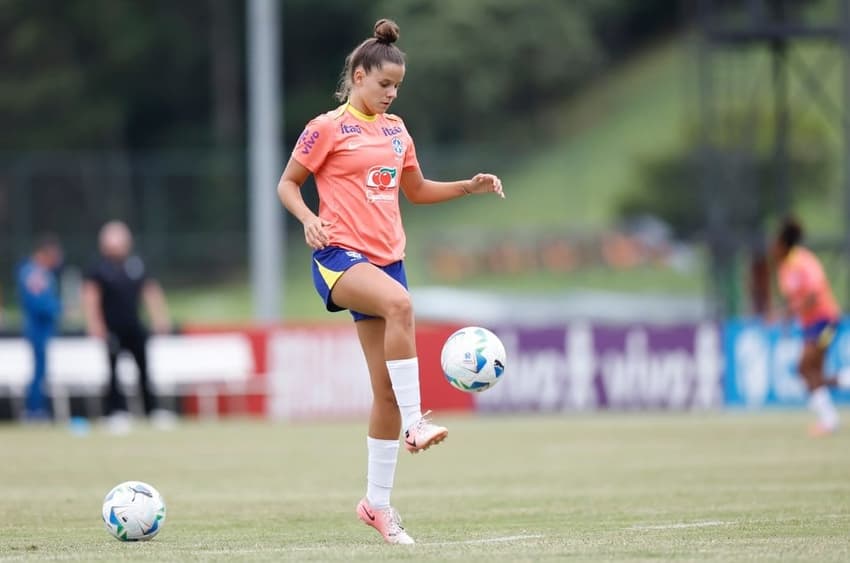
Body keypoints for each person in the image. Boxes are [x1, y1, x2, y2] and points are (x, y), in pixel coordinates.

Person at [277, 19, 504, 545]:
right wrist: (308, 219)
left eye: (396, 87)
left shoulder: (397, 129)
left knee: (381, 392)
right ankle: (416, 421)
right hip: (339, 257)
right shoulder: (327, 127)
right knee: (400, 306)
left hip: (388, 260)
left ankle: (376, 505)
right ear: (358, 77)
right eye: (383, 85)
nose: (390, 94)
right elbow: (287, 183)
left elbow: (417, 191)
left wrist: (467, 187)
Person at [82, 221, 173, 432]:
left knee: (144, 369)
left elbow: (150, 291)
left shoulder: (136, 264)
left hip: (134, 326)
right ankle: (116, 412)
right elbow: (90, 296)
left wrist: (159, 317)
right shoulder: (98, 268)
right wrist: (95, 323)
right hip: (112, 328)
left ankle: (152, 411)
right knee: (113, 372)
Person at [772, 216, 841, 436]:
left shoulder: (803, 261)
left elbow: (813, 294)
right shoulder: (784, 268)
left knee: (805, 368)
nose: (772, 248)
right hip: (810, 324)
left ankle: (830, 420)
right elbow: (794, 301)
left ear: (784, 244)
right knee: (813, 373)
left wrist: (788, 312)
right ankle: (830, 419)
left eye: (775, 243)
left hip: (825, 321)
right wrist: (787, 318)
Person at [17, 235, 63, 421]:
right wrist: (57, 308)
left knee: (41, 370)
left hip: (42, 329)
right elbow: (38, 303)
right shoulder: (34, 272)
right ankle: (34, 410)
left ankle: (37, 408)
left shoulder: (39, 272)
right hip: (37, 328)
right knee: (38, 371)